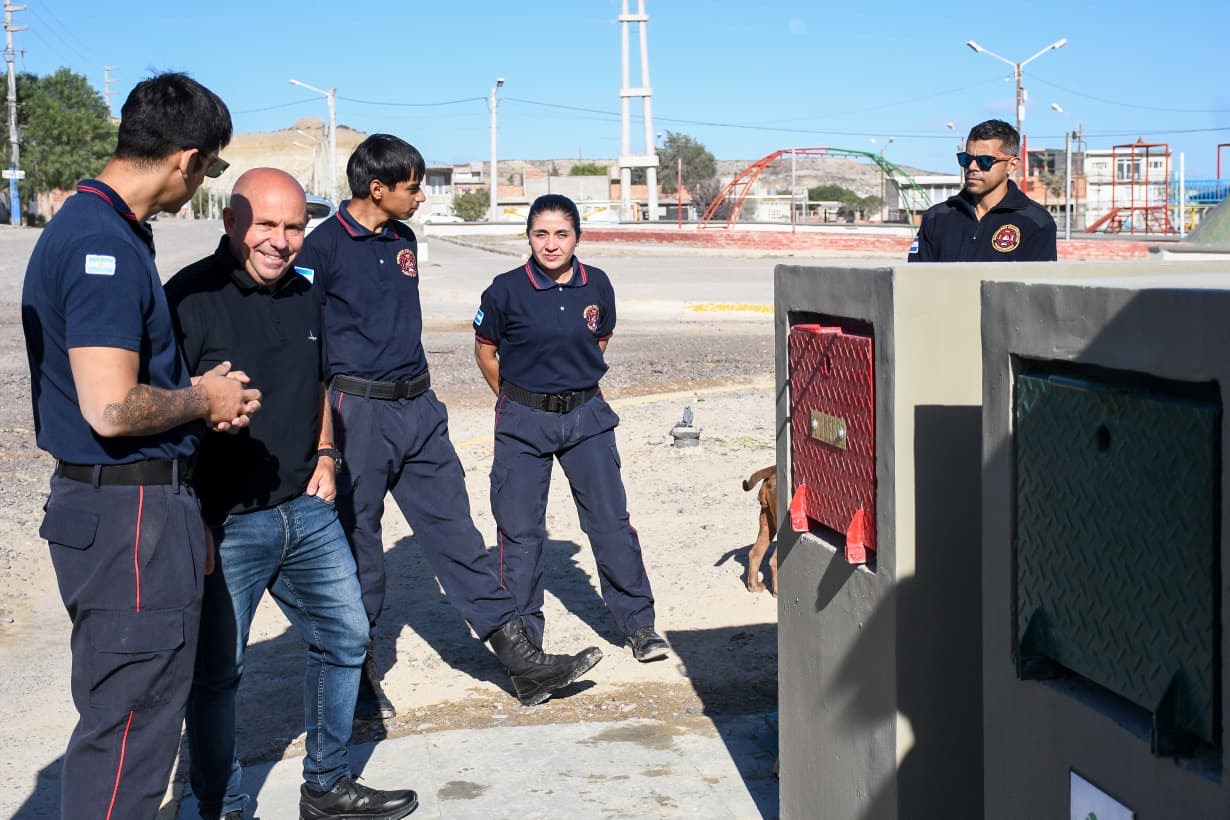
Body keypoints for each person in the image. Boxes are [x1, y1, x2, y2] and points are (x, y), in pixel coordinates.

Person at [20, 72, 261, 820]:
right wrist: (204, 397)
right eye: (209, 169)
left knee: (131, 723)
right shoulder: (101, 245)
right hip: (128, 521)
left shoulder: (100, 227)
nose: (200, 184)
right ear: (188, 160)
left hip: (137, 512)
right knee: (130, 734)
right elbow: (111, 407)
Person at [294, 134, 602, 711]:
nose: (420, 198)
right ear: (377, 188)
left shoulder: (404, 237)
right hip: (356, 413)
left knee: (458, 534)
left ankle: (522, 663)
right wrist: (323, 440)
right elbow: (302, 345)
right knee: (361, 546)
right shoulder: (322, 247)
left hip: (420, 409)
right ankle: (354, 679)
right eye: (412, 188)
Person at [166, 169, 418, 820]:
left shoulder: (307, 296)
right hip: (225, 523)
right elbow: (158, 417)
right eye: (266, 225)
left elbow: (319, 384)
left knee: (347, 637)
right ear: (230, 223)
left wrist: (328, 454)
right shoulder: (187, 299)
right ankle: (217, 802)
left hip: (305, 509)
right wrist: (190, 516)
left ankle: (326, 787)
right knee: (218, 675)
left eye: (294, 227)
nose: (280, 241)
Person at [473, 193, 669, 663]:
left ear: (577, 237)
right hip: (523, 420)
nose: (551, 244)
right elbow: (485, 352)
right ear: (528, 237)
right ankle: (525, 643)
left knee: (610, 523)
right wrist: (521, 400)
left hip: (587, 418)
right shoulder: (504, 290)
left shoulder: (597, 285)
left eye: (561, 234)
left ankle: (639, 625)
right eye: (541, 234)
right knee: (520, 533)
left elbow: (599, 339)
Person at [908, 119, 1057, 262]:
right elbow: (916, 280)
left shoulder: (1036, 222)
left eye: (984, 161)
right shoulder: (936, 218)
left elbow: (1039, 285)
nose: (972, 167)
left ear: (1012, 165)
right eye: (966, 159)